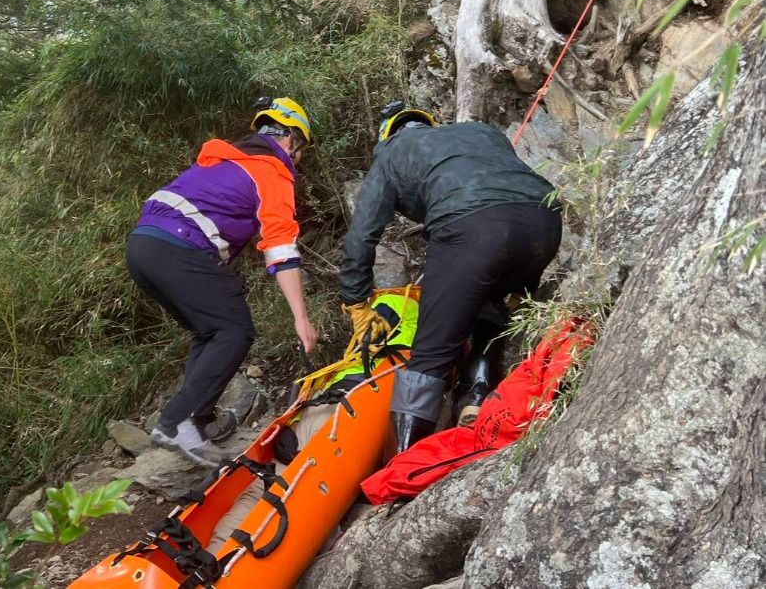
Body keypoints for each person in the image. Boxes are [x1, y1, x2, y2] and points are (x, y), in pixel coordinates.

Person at [340, 101, 562, 454]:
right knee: (488, 307)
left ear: (386, 136)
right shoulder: (480, 131)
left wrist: (355, 299)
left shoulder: (392, 152)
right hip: (545, 223)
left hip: (475, 227)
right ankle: (475, 401)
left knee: (430, 356)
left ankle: (403, 469)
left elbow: (361, 235)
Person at [127, 97, 319, 466]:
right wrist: (301, 316)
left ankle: (199, 420)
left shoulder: (223, 161)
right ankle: (176, 421)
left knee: (210, 331)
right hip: (179, 247)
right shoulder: (271, 169)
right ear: (291, 139)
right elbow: (279, 245)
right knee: (233, 331)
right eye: (301, 149)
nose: (298, 160)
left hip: (143, 247)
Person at [207, 291, 418, 554]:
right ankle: (229, 562)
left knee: (266, 488)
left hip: (313, 415)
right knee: (288, 489)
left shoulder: (362, 347)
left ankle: (214, 558)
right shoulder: (408, 341)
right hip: (338, 415)